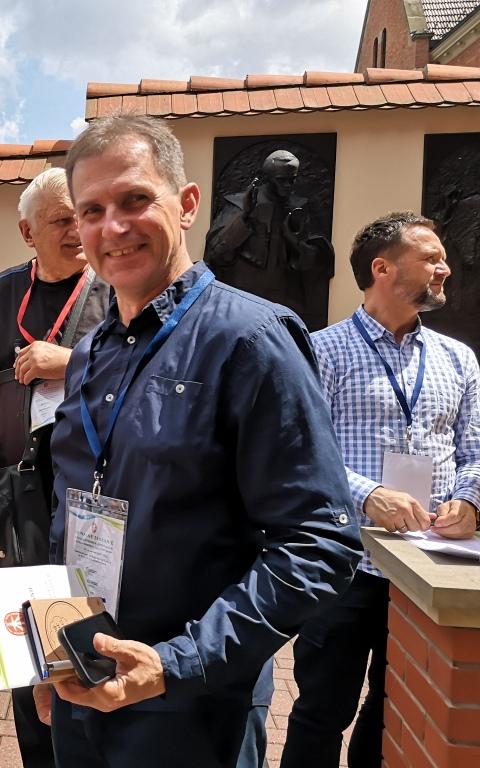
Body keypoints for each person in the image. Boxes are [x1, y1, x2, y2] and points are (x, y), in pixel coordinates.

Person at [41, 113, 362, 768]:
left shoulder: (253, 340)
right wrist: (55, 650)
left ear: (187, 205)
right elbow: (73, 511)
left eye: (135, 200)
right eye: (92, 211)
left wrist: (175, 663)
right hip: (86, 683)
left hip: (191, 708)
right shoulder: (89, 354)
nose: (113, 227)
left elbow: (319, 543)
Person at [281, 213, 480, 768]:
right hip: (344, 565)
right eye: (431, 257)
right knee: (322, 710)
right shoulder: (322, 351)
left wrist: (470, 500)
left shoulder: (458, 358)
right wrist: (368, 494)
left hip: (427, 567)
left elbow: (476, 449)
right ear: (382, 268)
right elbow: (301, 452)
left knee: (393, 708)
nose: (445, 268)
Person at [0, 167, 110, 768]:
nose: (77, 230)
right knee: (30, 661)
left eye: (83, 216)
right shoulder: (1, 294)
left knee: (97, 654)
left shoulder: (116, 286)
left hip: (99, 507)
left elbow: (149, 372)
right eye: (62, 219)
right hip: (19, 505)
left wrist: (71, 360)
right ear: (26, 232)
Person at [204, 149, 335, 331]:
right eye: (281, 180)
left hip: (284, 301)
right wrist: (245, 217)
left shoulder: (300, 207)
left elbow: (313, 261)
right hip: (244, 298)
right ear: (266, 178)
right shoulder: (240, 205)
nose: (288, 185)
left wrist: (293, 240)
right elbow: (216, 253)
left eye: (292, 180)